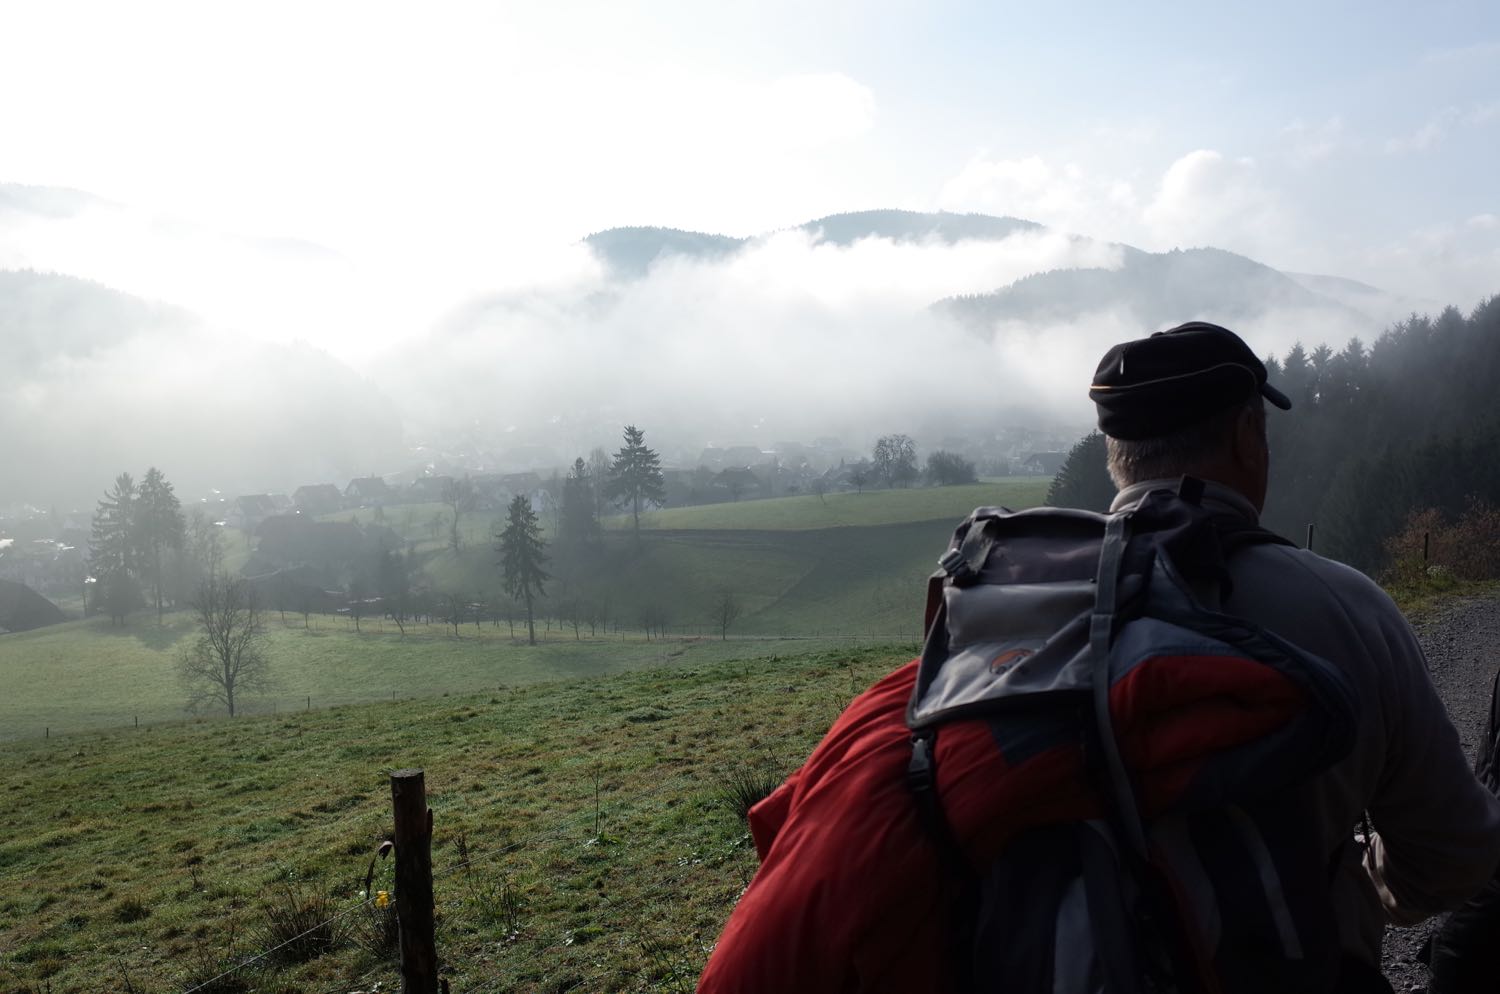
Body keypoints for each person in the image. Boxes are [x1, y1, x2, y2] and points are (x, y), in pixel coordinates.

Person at [697, 321, 1500, 994]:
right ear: (1247, 434)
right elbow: (1453, 856)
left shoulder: (1002, 610)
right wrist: (1357, 882)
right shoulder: (1347, 607)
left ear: (1117, 453)